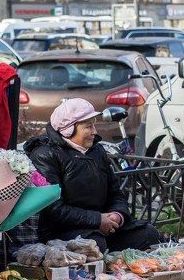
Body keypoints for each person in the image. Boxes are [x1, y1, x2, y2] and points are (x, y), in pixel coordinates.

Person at [24, 98, 162, 252]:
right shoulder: (45, 155)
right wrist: (97, 220)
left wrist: (117, 215)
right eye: (88, 127)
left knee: (149, 234)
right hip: (63, 230)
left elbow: (116, 193)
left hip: (102, 226)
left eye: (94, 125)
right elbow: (53, 209)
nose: (94, 132)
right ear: (69, 129)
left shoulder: (97, 151)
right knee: (95, 244)